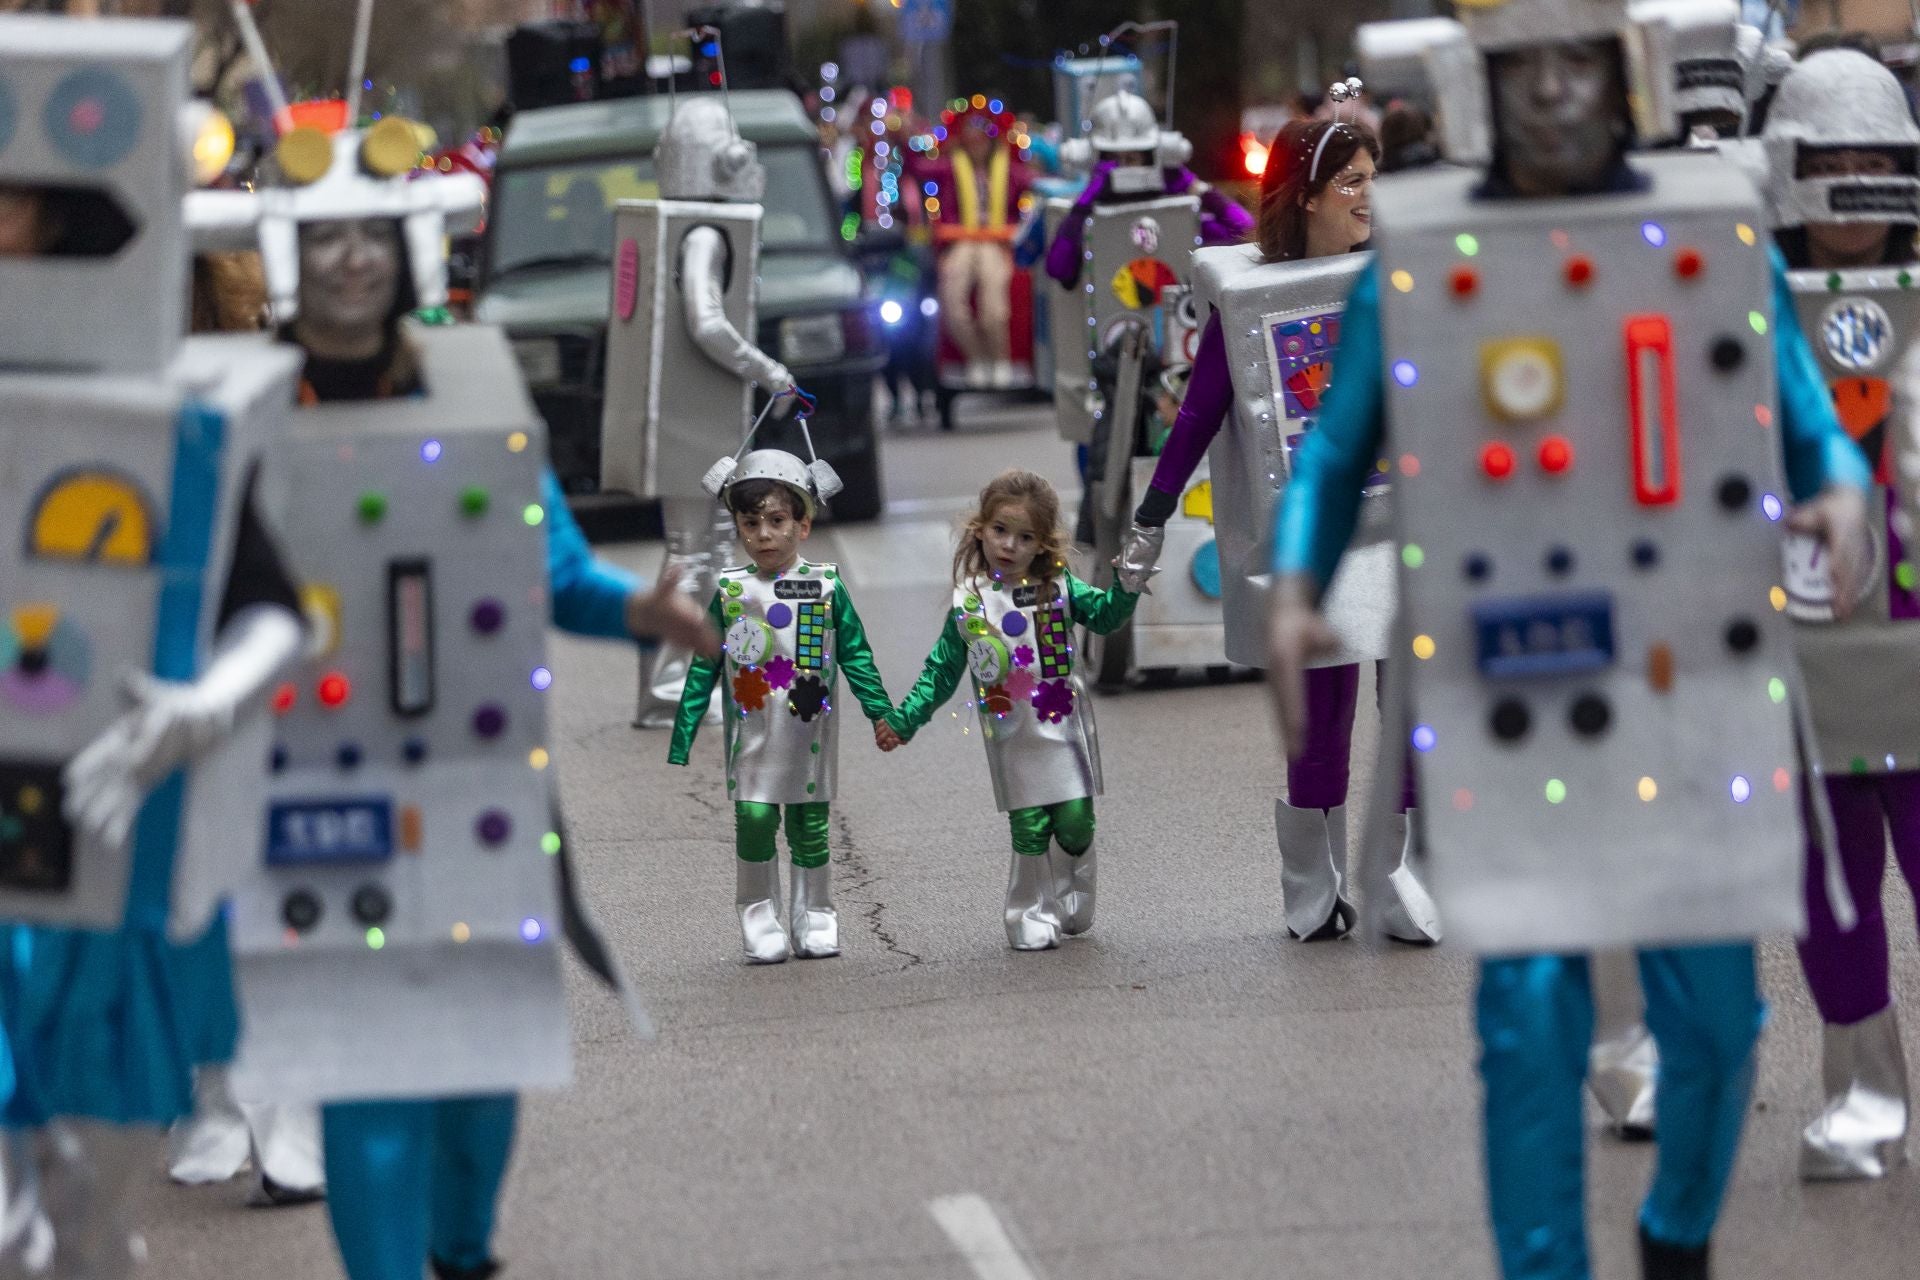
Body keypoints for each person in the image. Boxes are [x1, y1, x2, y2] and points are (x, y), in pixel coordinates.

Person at [1273, 5, 1873, 1277]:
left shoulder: (1711, 221)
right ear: (1477, 83)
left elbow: (1797, 397)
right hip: (1516, 682)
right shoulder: (1423, 250)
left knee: (1715, 1027)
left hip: (1691, 673)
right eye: (1520, 66)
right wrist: (1295, 582)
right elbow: (1338, 442)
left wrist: (1833, 480)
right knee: (1528, 1025)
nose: (1550, 91)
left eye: (1577, 62)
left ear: (1628, 72)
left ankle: (1675, 1236)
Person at [264, 191, 715, 1280]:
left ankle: (462, 1251)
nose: (351, 257)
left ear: (406, 250)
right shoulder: (247, 406)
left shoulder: (471, 384)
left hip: (476, 784)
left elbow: (549, 563)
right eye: (326, 234)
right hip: (317, 789)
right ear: (292, 251)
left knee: (478, 1074)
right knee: (370, 1068)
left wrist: (635, 612)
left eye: (371, 232)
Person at [0, 17, 307, 1276]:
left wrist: (206, 699)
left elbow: (270, 603)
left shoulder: (163, 416)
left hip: (101, 857)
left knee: (80, 1217)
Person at [1121, 117, 1439, 945]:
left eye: (1375, 178)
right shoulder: (1254, 295)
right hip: (1309, 536)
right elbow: (1201, 412)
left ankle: (1397, 871)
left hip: (1402, 522)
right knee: (1323, 708)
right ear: (1306, 195)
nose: (1370, 197)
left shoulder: (1396, 277)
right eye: (1352, 181)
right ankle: (1314, 880)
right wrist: (1151, 516)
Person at [1765, 47, 1920, 1181]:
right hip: (1800, 657)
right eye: (1835, 157)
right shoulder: (1738, 312)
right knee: (1830, 887)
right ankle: (1866, 1092)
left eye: (1878, 157)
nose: (1856, 179)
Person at [883, 470, 1138, 951]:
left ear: (1042, 545)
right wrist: (904, 719)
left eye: (1025, 537)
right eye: (1000, 530)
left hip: (1065, 729)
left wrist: (1125, 586)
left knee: (1076, 820)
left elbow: (1106, 616)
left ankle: (1073, 886)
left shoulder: (1059, 588)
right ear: (980, 528)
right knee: (1029, 826)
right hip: (1013, 735)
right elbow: (941, 671)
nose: (1009, 545)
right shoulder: (972, 603)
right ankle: (1028, 913)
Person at [610, 95, 800, 731]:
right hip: (692, 420)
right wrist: (769, 372)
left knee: (701, 549)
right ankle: (668, 689)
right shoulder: (704, 235)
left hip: (687, 420)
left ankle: (685, 680)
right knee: (694, 553)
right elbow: (707, 323)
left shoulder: (686, 226)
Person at [668, 446, 896, 964]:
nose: (764, 535)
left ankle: (815, 915)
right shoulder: (731, 592)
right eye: (751, 524)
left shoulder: (825, 587)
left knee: (809, 826)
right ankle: (758, 916)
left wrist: (880, 712)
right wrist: (683, 733)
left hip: (806, 735)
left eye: (776, 521)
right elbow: (705, 663)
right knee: (752, 819)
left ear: (803, 525)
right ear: (738, 528)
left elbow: (856, 656)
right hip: (752, 736)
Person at [907, 103, 1034, 387]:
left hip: (994, 244)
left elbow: (1038, 181)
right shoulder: (950, 168)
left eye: (981, 139)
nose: (976, 145)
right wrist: (910, 136)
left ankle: (1000, 360)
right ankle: (975, 359)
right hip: (961, 242)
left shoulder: (1011, 171)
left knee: (994, 310)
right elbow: (916, 166)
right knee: (952, 303)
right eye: (970, 139)